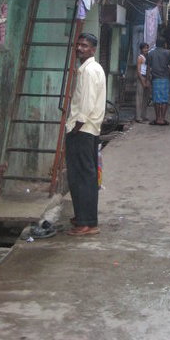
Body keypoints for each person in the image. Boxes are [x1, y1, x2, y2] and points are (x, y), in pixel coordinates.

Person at [65, 33, 106, 236]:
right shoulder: (91, 69)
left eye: (85, 45)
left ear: (93, 50)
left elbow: (87, 104)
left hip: (83, 129)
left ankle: (87, 223)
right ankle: (83, 216)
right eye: (78, 44)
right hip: (88, 129)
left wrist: (76, 127)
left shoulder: (89, 71)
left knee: (82, 176)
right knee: (83, 175)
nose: (80, 48)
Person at [146, 37, 170, 126]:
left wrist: (147, 80)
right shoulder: (168, 53)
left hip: (155, 79)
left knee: (156, 100)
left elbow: (148, 68)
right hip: (165, 78)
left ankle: (157, 119)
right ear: (164, 44)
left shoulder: (151, 53)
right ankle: (163, 119)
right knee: (164, 100)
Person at [135, 42, 150, 123]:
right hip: (141, 77)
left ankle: (143, 115)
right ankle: (138, 117)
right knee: (139, 98)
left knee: (145, 98)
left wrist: (147, 80)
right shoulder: (140, 58)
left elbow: (148, 69)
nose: (146, 50)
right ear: (141, 49)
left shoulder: (147, 57)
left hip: (146, 77)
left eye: (147, 48)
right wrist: (143, 81)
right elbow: (138, 71)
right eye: (144, 48)